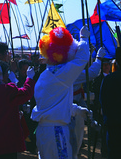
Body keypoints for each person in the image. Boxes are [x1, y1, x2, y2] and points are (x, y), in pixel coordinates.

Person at [31, 26, 89, 159]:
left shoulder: (45, 75)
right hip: (56, 131)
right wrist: (84, 38)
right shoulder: (61, 74)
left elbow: (53, 103)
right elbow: (82, 59)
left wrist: (76, 109)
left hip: (44, 131)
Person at [0, 61, 35, 159]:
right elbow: (26, 93)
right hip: (6, 141)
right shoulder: (7, 90)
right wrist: (29, 78)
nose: (7, 75)